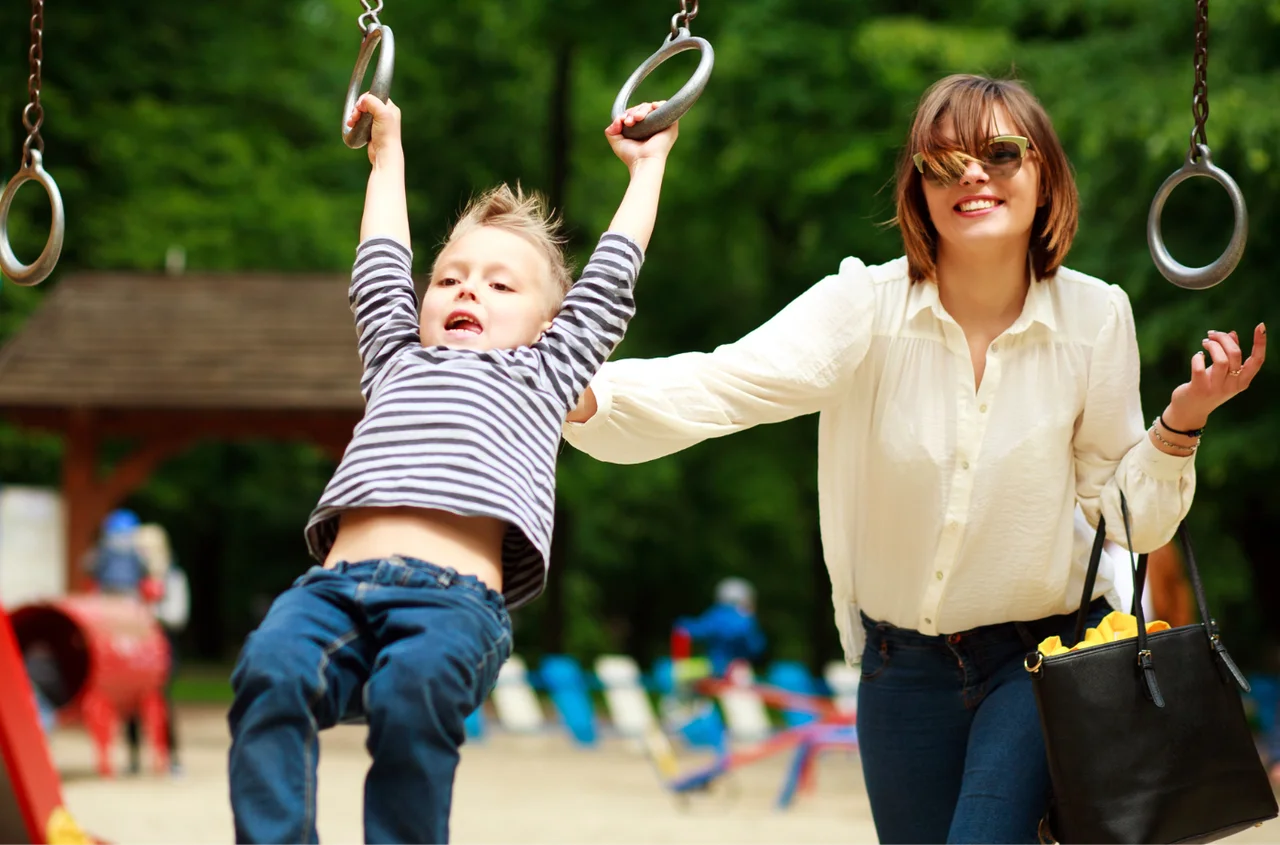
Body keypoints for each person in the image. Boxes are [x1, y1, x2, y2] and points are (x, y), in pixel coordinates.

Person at [563, 74, 1266, 842]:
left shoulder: (1096, 316)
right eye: (943, 161)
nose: (972, 174)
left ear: (1045, 177)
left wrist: (1179, 424)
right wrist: (571, 392)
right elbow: (726, 382)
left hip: (1043, 657)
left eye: (1001, 153)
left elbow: (1128, 518)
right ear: (919, 189)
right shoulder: (864, 307)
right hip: (900, 672)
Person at [226, 93, 680, 844]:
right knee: (269, 668)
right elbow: (379, 262)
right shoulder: (395, 358)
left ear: (546, 323)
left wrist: (647, 168)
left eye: (502, 285)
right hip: (332, 592)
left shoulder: (547, 372)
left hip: (451, 604)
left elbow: (610, 280)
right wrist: (387, 151)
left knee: (412, 695)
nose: (468, 287)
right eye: (449, 278)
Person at [673, 577, 766, 677]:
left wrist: (681, 624)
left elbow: (689, 630)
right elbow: (756, 648)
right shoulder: (746, 619)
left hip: (711, 667)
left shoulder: (715, 614)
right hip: (737, 670)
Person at [86, 509, 147, 596]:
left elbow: (93, 566)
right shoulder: (136, 548)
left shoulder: (105, 545)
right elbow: (143, 567)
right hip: (130, 587)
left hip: (107, 586)